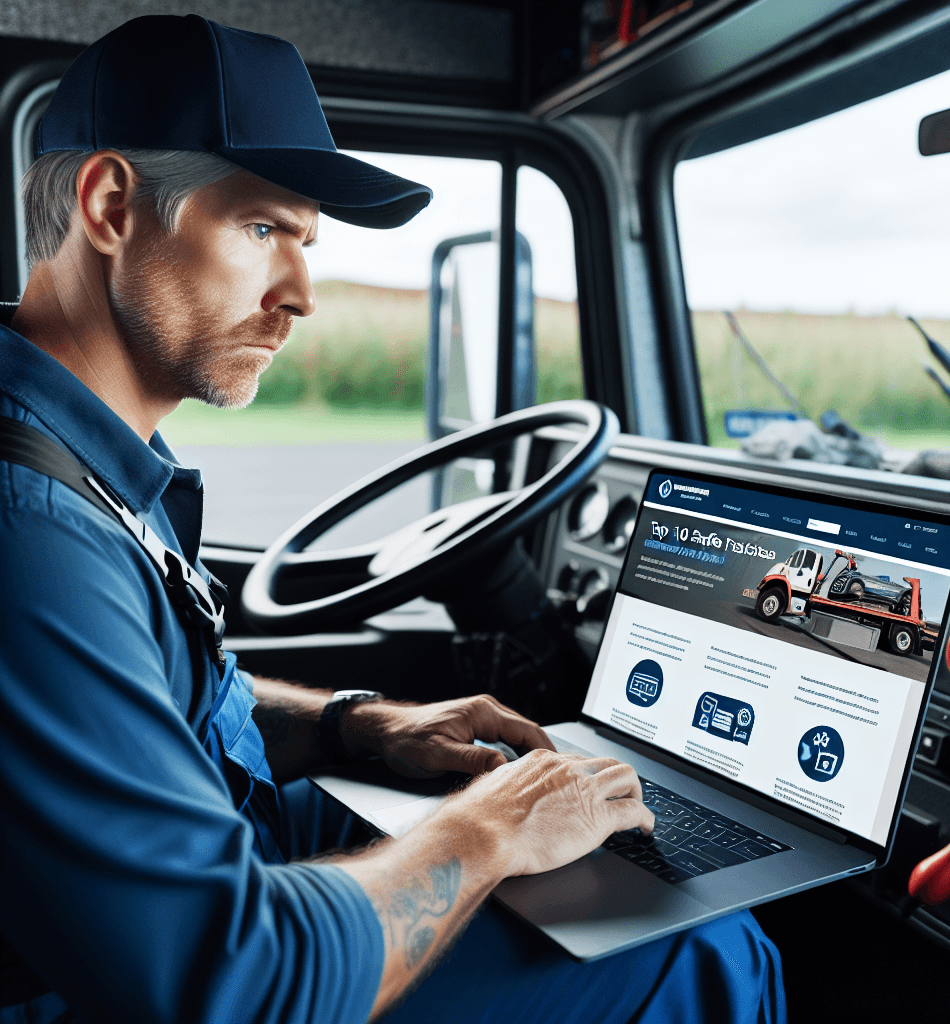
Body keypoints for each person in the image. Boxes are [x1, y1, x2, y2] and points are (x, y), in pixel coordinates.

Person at [0, 15, 786, 1024]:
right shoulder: (33, 531)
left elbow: (154, 701)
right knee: (703, 947)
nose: (301, 296)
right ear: (110, 204)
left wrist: (361, 723)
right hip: (137, 982)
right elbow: (226, 984)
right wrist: (486, 834)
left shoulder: (86, 465)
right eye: (259, 229)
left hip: (199, 868)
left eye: (306, 243)